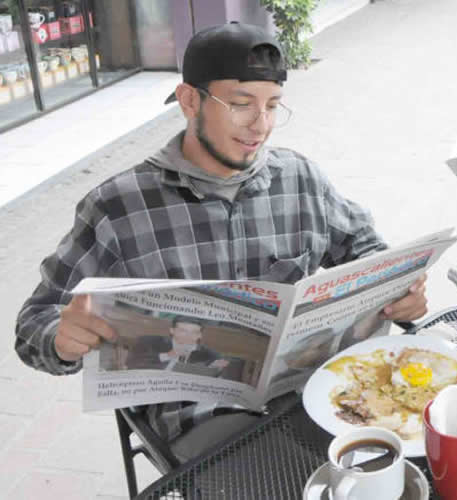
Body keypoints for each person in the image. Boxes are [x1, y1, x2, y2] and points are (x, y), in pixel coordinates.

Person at [14, 22, 428, 462]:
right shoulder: (118, 207)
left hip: (321, 394)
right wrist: (61, 337)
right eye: (241, 104)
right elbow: (34, 321)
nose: (261, 126)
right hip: (203, 421)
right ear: (189, 101)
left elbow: (371, 252)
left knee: (423, 456)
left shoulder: (300, 179)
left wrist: (399, 291)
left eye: (273, 106)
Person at [126, 316, 231, 376]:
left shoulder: (212, 355)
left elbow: (218, 377)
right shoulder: (149, 341)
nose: (188, 336)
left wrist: (214, 368)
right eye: (183, 331)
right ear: (172, 331)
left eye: (194, 332)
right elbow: (131, 363)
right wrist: (166, 356)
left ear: (200, 335)